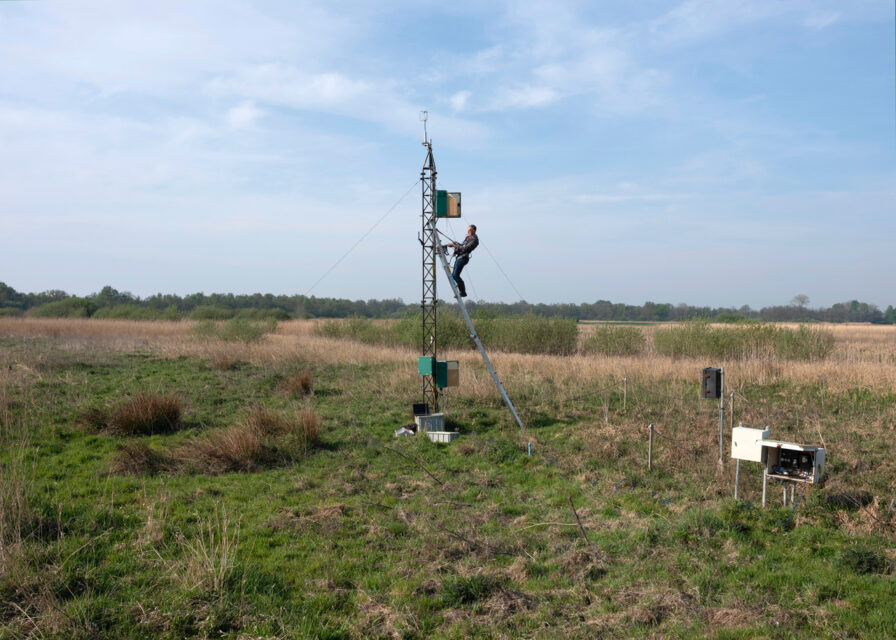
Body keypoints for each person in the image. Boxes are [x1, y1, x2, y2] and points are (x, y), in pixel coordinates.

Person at [448, 224, 478, 297]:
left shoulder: (474, 239)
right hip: (459, 257)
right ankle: (461, 291)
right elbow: (462, 246)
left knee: (455, 275)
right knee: (453, 275)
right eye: (468, 230)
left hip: (463, 258)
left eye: (470, 230)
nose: (469, 232)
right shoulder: (467, 238)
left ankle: (463, 292)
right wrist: (456, 244)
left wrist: (456, 246)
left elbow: (466, 248)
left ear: (474, 230)